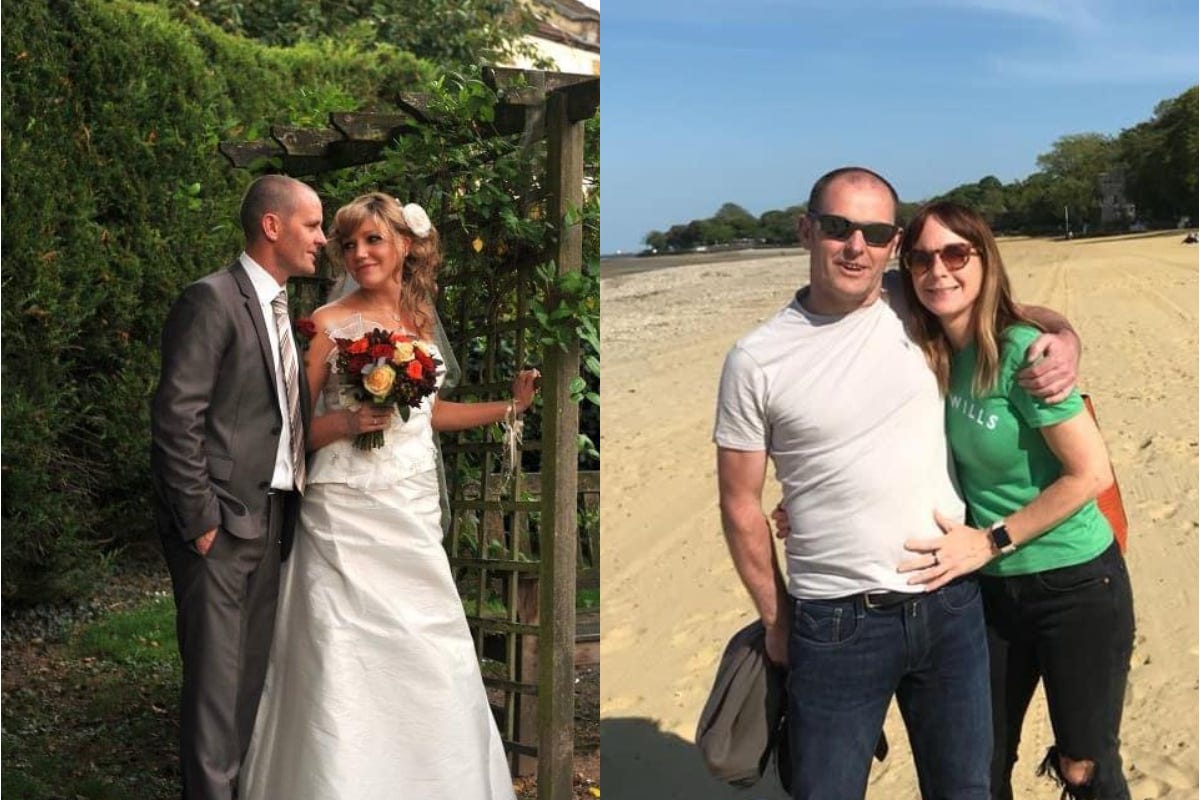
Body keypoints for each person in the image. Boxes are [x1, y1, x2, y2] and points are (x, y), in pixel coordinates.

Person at [714, 166, 1079, 800]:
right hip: (833, 622)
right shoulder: (756, 359)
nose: (856, 246)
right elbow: (739, 503)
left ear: (894, 242)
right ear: (806, 231)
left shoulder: (910, 300)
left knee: (965, 790)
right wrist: (777, 624)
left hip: (952, 607)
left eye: (875, 232)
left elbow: (1007, 311)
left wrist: (1064, 338)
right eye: (838, 228)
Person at [240, 192, 537, 800]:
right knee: (341, 649)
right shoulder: (324, 325)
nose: (358, 252)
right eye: (348, 242)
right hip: (344, 510)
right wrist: (348, 424)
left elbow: (428, 415)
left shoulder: (420, 320)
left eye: (373, 239)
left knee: (428, 648)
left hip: (410, 504)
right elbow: (289, 434)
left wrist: (509, 407)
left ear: (405, 245)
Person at [894, 201, 1135, 800]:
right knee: (980, 761)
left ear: (984, 260)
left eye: (956, 254)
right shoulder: (931, 351)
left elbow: (1090, 473)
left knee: (1084, 762)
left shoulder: (1026, 354)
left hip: (1076, 585)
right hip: (989, 597)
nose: (938, 271)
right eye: (922, 257)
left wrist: (990, 539)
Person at [151, 174, 326, 800]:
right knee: (214, 693)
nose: (323, 240)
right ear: (272, 226)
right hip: (221, 529)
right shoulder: (211, 300)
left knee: (248, 685)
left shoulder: (281, 311)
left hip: (275, 522)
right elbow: (177, 417)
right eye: (312, 225)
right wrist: (201, 521)